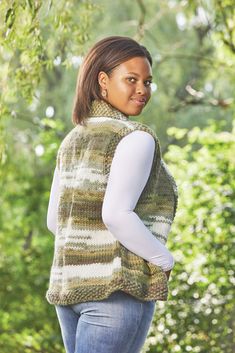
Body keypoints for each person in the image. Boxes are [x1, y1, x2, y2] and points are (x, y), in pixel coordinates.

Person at [46, 36, 178, 353]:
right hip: (117, 291)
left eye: (147, 81)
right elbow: (116, 215)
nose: (142, 90)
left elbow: (55, 221)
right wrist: (164, 259)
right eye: (130, 80)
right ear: (103, 81)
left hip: (69, 290)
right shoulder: (135, 138)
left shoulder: (72, 140)